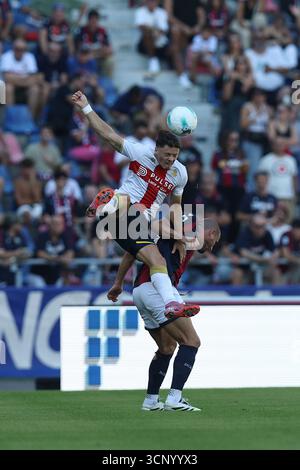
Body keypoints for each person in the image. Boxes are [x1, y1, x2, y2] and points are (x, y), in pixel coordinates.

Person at [72, 89, 200, 320]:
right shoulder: (141, 153)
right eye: (167, 154)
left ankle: (172, 304)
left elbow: (175, 206)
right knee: (134, 205)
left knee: (155, 259)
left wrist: (118, 282)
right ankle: (107, 200)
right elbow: (109, 135)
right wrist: (87, 108)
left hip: (135, 223)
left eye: (175, 155)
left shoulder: (180, 173)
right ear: (156, 149)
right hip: (124, 210)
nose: (170, 159)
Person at [107, 217, 221, 411]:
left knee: (167, 347)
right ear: (211, 233)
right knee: (191, 341)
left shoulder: (178, 237)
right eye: (214, 243)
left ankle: (151, 400)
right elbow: (156, 223)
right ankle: (175, 398)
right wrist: (181, 237)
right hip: (156, 289)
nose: (210, 248)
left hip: (140, 291)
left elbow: (131, 252)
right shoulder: (191, 227)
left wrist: (118, 283)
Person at [0, 39, 44, 119]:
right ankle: (11, 119)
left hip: (25, 87)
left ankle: (30, 119)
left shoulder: (29, 57)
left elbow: (34, 78)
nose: (19, 51)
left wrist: (15, 79)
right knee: (8, 88)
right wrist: (25, 80)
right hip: (11, 86)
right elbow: (6, 78)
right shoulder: (6, 56)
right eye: (17, 49)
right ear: (13, 48)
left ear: (25, 50)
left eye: (22, 49)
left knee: (35, 89)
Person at [232, 214, 281, 285]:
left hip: (262, 265)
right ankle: (236, 295)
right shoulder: (244, 233)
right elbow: (244, 253)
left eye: (263, 226)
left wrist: (273, 257)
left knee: (276, 271)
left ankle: (276, 294)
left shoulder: (267, 233)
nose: (261, 229)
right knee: (237, 273)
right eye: (257, 226)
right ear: (251, 226)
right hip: (245, 265)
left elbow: (275, 250)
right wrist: (263, 259)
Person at [164, 0, 203, 88]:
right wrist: (184, 28)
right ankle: (182, 74)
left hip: (193, 32)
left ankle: (191, 77)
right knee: (176, 32)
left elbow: (201, 14)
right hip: (177, 32)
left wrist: (198, 27)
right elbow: (168, 16)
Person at [258, 139, 298, 220]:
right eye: (277, 144)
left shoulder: (291, 160)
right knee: (270, 221)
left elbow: (294, 178)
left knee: (288, 221)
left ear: (285, 146)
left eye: (281, 144)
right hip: (270, 196)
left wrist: (294, 194)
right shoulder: (265, 159)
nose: (279, 146)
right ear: (272, 146)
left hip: (287, 196)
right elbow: (260, 178)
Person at [75, 8, 113, 77]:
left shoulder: (102, 31)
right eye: (91, 19)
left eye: (95, 20)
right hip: (84, 58)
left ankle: (108, 81)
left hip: (97, 57)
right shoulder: (82, 30)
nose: (93, 22)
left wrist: (92, 55)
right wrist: (97, 51)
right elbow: (79, 48)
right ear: (88, 20)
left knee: (110, 61)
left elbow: (108, 50)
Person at [135, 0, 169, 75]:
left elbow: (163, 29)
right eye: (149, 1)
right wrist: (153, 31)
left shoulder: (162, 12)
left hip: (160, 43)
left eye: (153, 1)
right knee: (147, 34)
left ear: (157, 2)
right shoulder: (140, 11)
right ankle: (153, 59)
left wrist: (155, 33)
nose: (151, 3)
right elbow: (141, 27)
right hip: (144, 44)